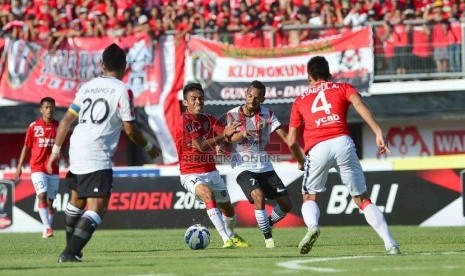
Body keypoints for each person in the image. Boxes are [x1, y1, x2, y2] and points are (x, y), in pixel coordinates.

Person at [47, 43, 161, 262]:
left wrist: (55, 150)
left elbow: (65, 121)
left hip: (76, 146)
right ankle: (69, 253)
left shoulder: (87, 87)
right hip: (96, 151)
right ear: (125, 66)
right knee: (97, 208)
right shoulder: (122, 89)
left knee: (77, 202)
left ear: (102, 64)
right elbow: (129, 128)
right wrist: (148, 147)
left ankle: (73, 249)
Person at [288, 56, 401, 255]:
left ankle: (313, 226)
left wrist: (300, 160)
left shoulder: (300, 100)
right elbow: (360, 105)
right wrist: (377, 131)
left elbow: (290, 140)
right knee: (363, 199)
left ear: (309, 77)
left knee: (310, 197)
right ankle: (390, 243)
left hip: (317, 148)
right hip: (343, 142)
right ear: (329, 74)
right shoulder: (342, 87)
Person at [225, 80, 305, 248]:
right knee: (258, 197)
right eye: (249, 96)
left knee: (286, 205)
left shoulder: (268, 114)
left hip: (265, 167)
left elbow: (286, 137)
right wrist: (244, 133)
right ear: (245, 94)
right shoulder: (233, 114)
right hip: (243, 166)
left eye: (257, 98)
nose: (252, 101)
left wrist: (300, 156)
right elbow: (230, 139)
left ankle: (266, 223)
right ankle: (268, 239)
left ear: (262, 99)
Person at [175, 82, 248, 249]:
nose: (198, 102)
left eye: (200, 98)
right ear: (185, 102)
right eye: (193, 99)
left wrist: (243, 133)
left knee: (229, 211)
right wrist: (223, 137)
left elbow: (229, 136)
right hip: (190, 173)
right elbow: (201, 145)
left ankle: (231, 234)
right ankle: (226, 240)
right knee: (207, 194)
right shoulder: (185, 120)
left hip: (211, 172)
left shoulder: (209, 119)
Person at [14, 97, 62, 239]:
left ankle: (47, 228)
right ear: (41, 109)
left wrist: (71, 161)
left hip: (53, 169)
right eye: (46, 107)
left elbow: (63, 147)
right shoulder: (34, 126)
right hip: (37, 167)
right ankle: (47, 228)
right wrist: (19, 166)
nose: (49, 110)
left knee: (50, 202)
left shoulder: (59, 126)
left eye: (51, 107)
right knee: (42, 195)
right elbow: (27, 146)